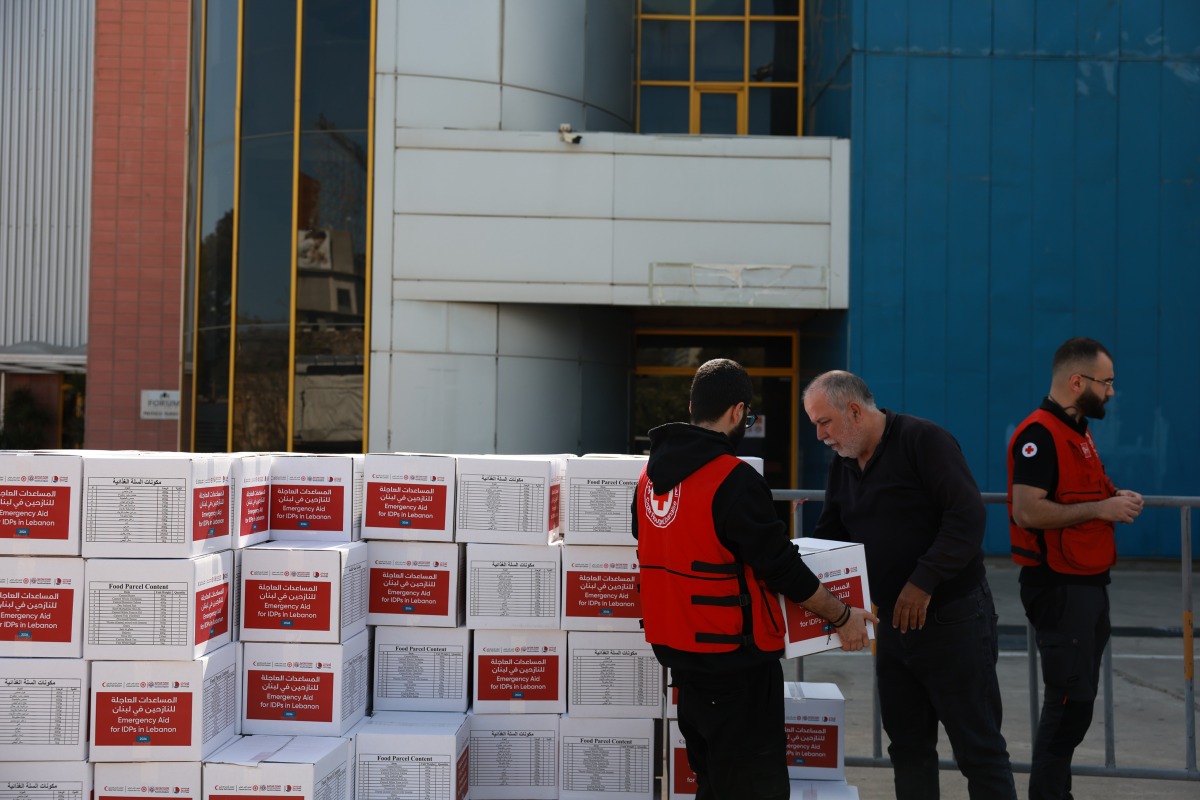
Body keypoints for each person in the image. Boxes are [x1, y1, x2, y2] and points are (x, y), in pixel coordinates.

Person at [632, 358, 877, 800]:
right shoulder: (732, 479)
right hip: (735, 665)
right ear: (737, 412)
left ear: (692, 406)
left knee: (712, 782)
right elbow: (779, 566)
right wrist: (842, 616)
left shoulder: (649, 480)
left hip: (683, 663)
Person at [803, 370, 1017, 800]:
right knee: (908, 748)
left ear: (855, 411)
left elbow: (966, 517)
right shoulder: (843, 463)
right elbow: (833, 535)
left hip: (953, 619)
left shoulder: (925, 441)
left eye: (824, 422)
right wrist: (818, 591)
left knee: (979, 749)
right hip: (894, 628)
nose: (820, 434)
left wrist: (922, 581)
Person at [1007, 337, 1143, 800]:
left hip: (1086, 584)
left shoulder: (1079, 431)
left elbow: (1082, 495)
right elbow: (1028, 512)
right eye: (1105, 383)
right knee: (1068, 704)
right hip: (1059, 587)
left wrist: (1114, 498)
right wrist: (1102, 510)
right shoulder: (1038, 435)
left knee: (1076, 704)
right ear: (1077, 381)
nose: (1110, 392)